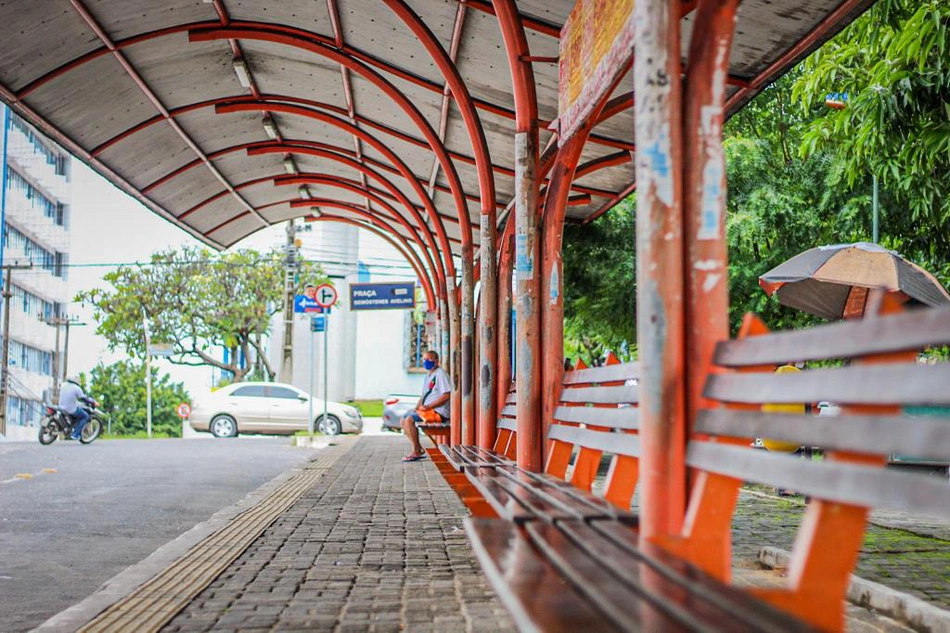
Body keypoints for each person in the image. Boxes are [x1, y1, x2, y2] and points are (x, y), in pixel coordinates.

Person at [400, 350, 451, 462]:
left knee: (409, 420)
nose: (426, 361)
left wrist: (428, 406)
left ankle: (416, 451)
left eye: (429, 359)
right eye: (424, 359)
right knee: (403, 420)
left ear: (437, 361)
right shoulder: (428, 376)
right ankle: (418, 447)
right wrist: (417, 407)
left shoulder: (440, 374)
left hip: (439, 413)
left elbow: (447, 395)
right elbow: (423, 396)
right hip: (428, 411)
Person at [59, 375, 90, 440]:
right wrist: (92, 402)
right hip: (70, 409)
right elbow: (84, 398)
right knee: (85, 416)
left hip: (60, 407)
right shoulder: (77, 388)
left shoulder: (63, 384)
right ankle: (75, 434)